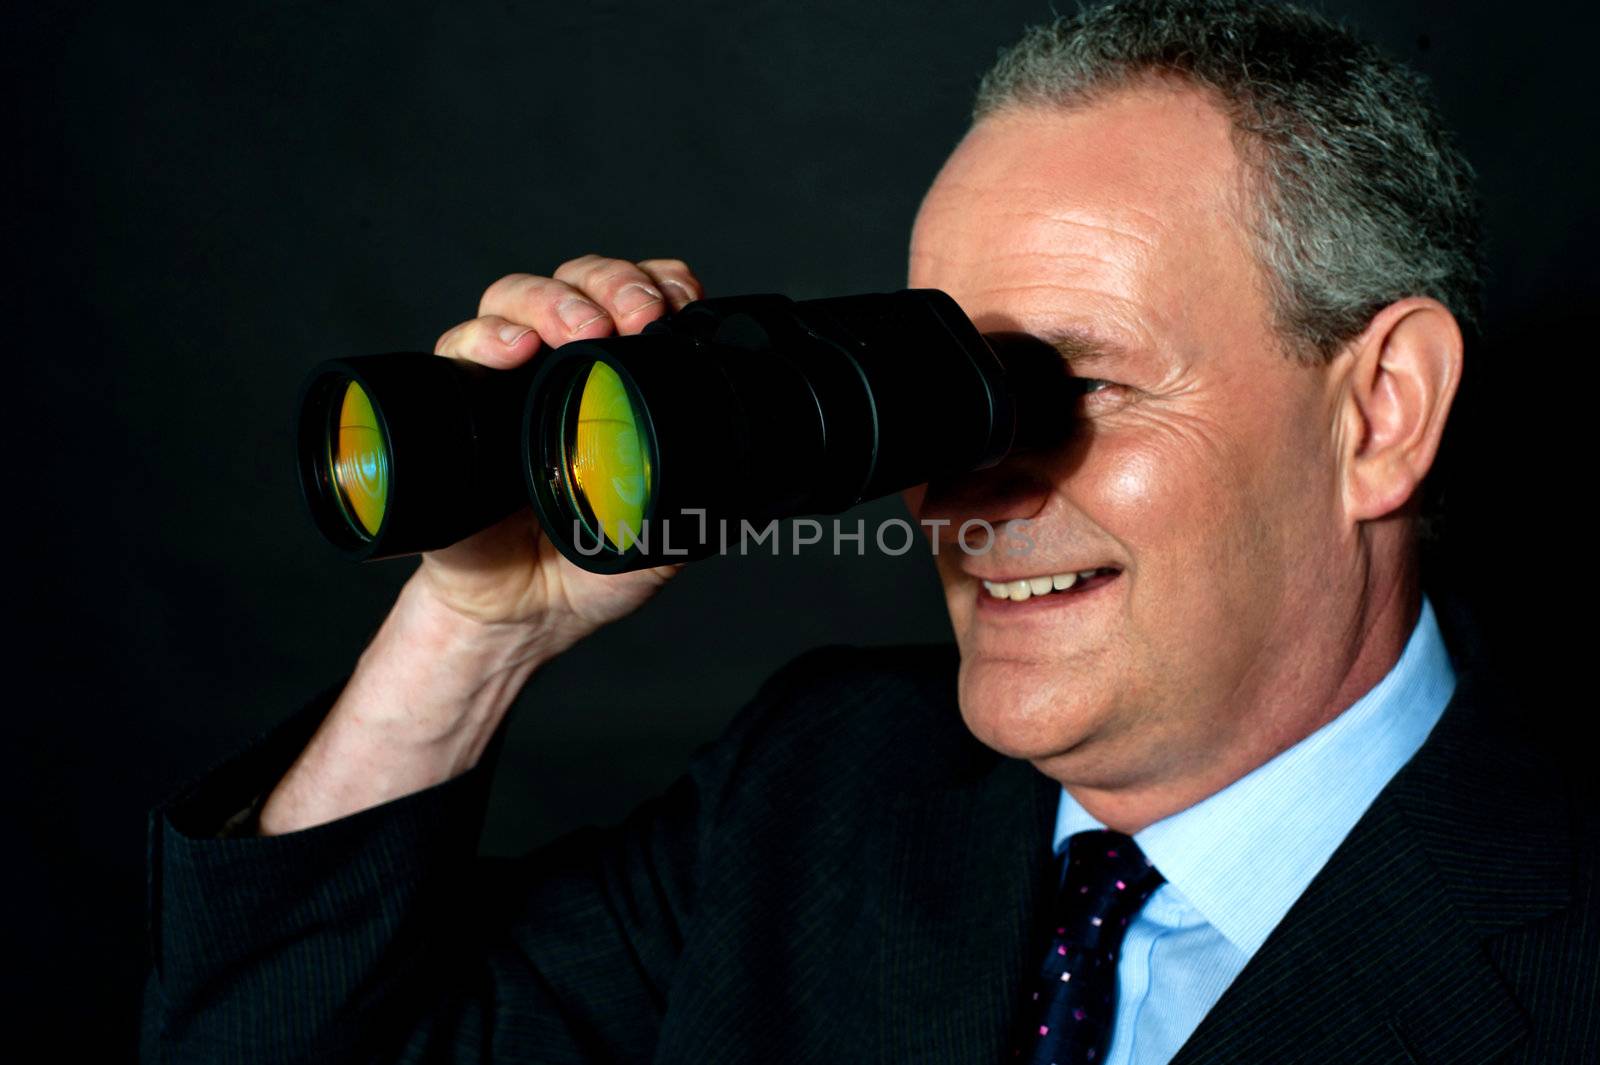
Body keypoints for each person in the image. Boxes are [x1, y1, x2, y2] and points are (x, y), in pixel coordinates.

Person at [140, 1, 1597, 1062]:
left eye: (1074, 382)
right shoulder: (823, 789)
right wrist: (472, 628)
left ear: (1384, 409)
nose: (966, 488)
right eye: (943, 400)